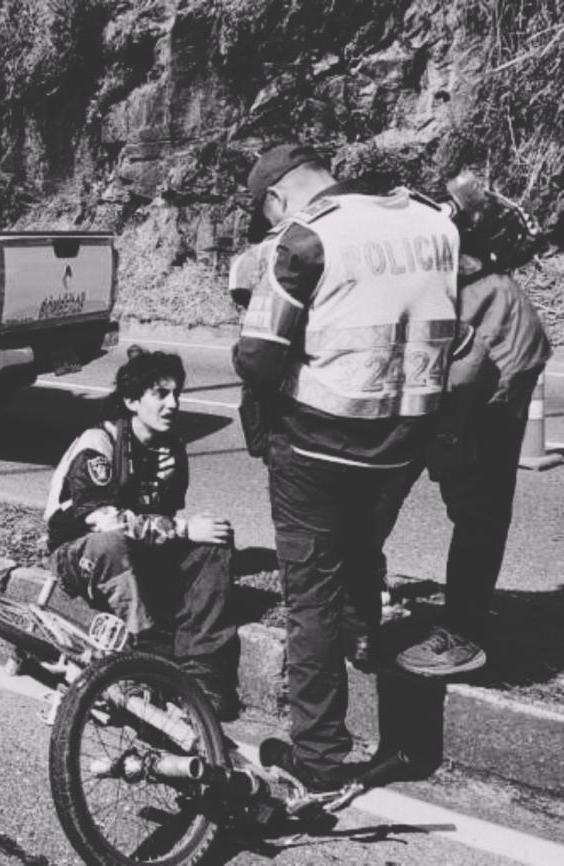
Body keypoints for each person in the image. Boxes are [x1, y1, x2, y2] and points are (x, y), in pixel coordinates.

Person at [233, 144, 459, 791]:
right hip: (402, 446)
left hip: (316, 447)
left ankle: (320, 760)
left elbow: (257, 359)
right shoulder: (433, 222)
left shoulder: (306, 240)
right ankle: (365, 641)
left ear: (275, 199)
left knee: (311, 598)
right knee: (361, 547)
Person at [375, 184, 553, 677]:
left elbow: (467, 371)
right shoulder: (402, 238)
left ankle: (463, 635)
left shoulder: (433, 262)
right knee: (383, 490)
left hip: (492, 364)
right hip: (464, 354)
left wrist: (449, 437)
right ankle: (363, 606)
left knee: (478, 509)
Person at [45, 345, 240, 718]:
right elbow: (104, 519)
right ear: (133, 401)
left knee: (214, 544)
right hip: (77, 552)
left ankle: (201, 678)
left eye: (176, 394)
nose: (173, 404)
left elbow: (165, 517)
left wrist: (191, 534)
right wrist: (183, 529)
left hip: (136, 552)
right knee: (112, 542)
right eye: (160, 395)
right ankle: (144, 659)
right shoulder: (98, 444)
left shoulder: (172, 450)